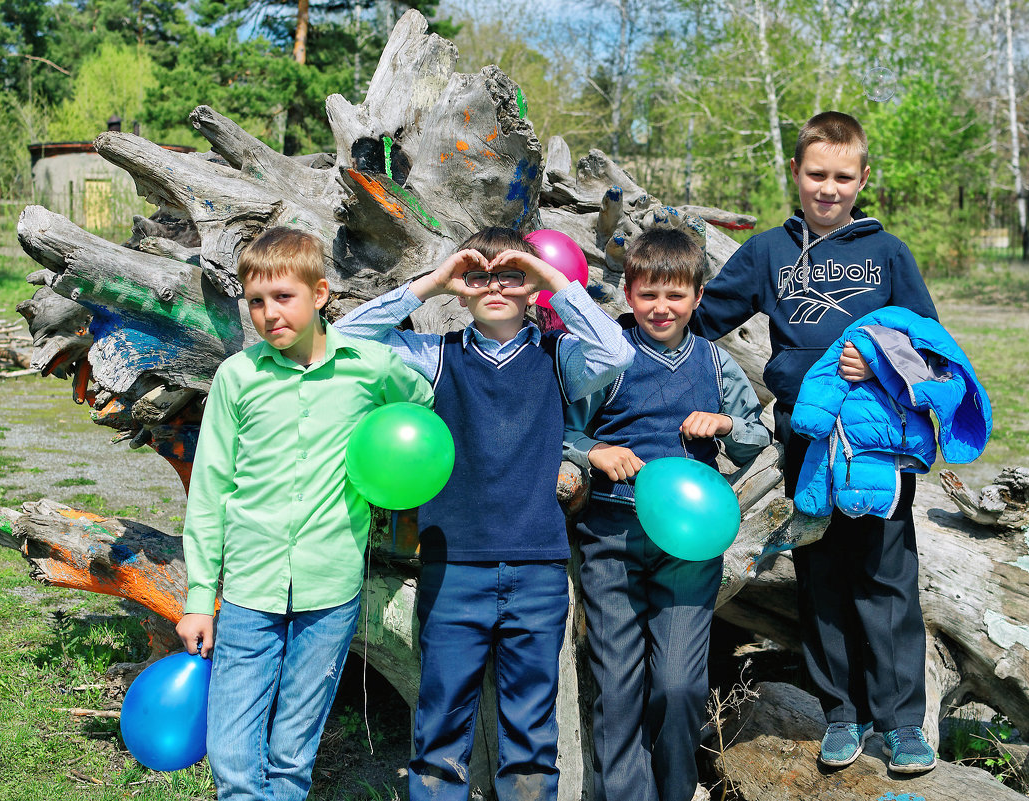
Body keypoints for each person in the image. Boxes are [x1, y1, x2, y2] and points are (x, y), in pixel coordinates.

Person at [335, 226, 633, 801]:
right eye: (479, 275)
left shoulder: (559, 357)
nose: (495, 285)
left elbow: (616, 351)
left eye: (511, 275)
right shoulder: (435, 356)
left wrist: (552, 280)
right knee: (440, 729)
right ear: (462, 288)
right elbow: (344, 338)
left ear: (531, 289)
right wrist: (432, 284)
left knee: (530, 739)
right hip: (454, 568)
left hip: (539, 570)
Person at [691, 111, 940, 774]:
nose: (828, 188)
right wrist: (627, 323)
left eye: (842, 176)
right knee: (821, 577)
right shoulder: (769, 250)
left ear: (862, 178)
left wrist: (883, 365)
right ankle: (842, 714)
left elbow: (932, 347)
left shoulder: (889, 255)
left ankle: (902, 722)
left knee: (886, 578)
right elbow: (703, 319)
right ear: (796, 173)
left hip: (877, 447)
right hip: (805, 443)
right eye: (816, 174)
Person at [174, 227, 434, 801]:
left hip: (331, 581)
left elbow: (422, 409)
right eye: (256, 302)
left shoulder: (369, 367)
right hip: (249, 583)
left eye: (283, 297)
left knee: (294, 750)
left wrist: (385, 465)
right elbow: (211, 490)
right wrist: (199, 597)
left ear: (320, 294)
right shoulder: (236, 378)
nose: (269, 314)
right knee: (232, 747)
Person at [563, 227, 771, 801]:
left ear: (698, 297)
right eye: (648, 294)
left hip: (689, 548)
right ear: (628, 293)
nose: (661, 307)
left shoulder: (715, 364)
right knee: (618, 686)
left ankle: (675, 790)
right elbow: (562, 429)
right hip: (611, 536)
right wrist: (593, 452)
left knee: (678, 684)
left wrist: (726, 425)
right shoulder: (607, 356)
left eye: (675, 295)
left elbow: (758, 438)